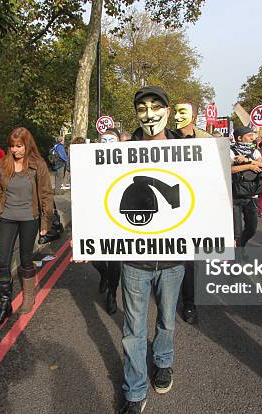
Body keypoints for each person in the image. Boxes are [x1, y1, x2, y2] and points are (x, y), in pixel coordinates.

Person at [118, 86, 185, 414]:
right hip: (133, 261)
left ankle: (163, 361)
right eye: (142, 107)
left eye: (156, 106)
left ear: (168, 110)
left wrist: (222, 231)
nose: (149, 114)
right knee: (133, 330)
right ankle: (134, 391)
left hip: (173, 259)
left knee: (167, 321)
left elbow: (211, 192)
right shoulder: (122, 152)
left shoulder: (188, 149)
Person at [0, 127, 53, 325]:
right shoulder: (5, 163)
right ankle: (5, 304)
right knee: (3, 261)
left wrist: (45, 222)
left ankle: (29, 297)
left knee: (25, 259)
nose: (15, 150)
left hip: (29, 218)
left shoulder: (37, 165)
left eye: (19, 146)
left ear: (27, 144)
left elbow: (46, 194)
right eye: (12, 146)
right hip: (8, 217)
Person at [173, 100, 211, 325]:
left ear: (194, 117)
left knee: (188, 260)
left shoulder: (207, 141)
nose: (177, 116)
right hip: (166, 204)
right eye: (175, 112)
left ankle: (189, 303)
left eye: (182, 112)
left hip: (193, 206)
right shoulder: (163, 137)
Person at [92, 128, 122, 315]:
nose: (108, 144)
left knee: (115, 260)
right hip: (98, 217)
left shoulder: (127, 163)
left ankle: (112, 293)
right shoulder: (92, 164)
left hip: (118, 218)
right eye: (104, 140)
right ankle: (103, 273)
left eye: (112, 140)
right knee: (96, 258)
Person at [230, 127, 262, 249]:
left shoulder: (255, 152)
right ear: (239, 138)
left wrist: (247, 161)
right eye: (249, 135)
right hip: (235, 194)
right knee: (236, 232)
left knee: (251, 228)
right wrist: (249, 166)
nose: (252, 138)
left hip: (252, 195)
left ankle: (241, 247)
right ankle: (237, 260)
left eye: (253, 135)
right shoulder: (230, 151)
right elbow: (229, 169)